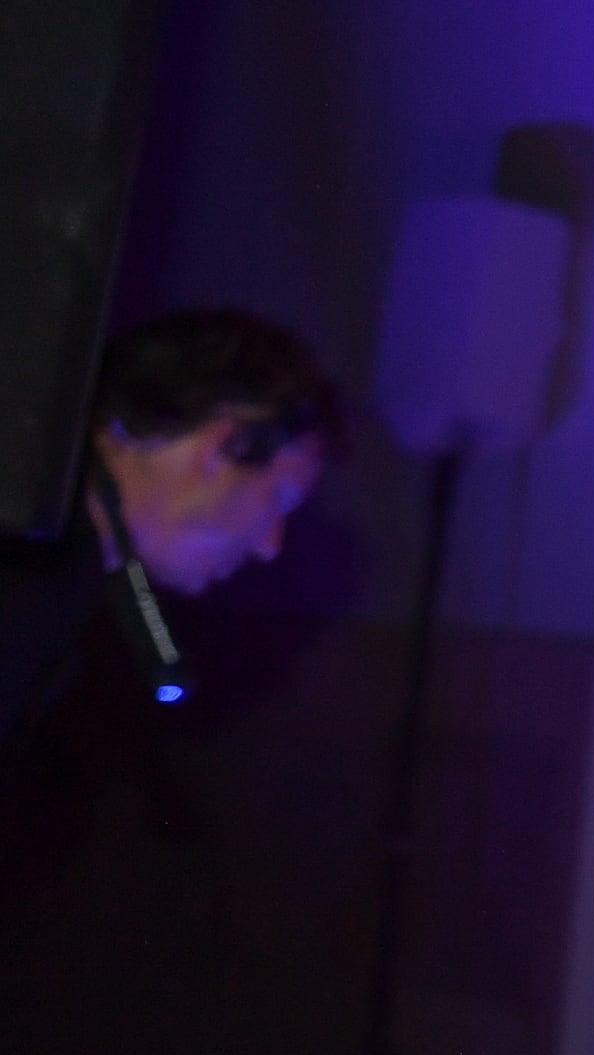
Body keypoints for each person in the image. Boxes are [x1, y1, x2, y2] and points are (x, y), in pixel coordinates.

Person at [0, 308, 340, 741]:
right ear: (223, 445)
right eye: (281, 500)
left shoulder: (52, 538)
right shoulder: (33, 566)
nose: (270, 545)